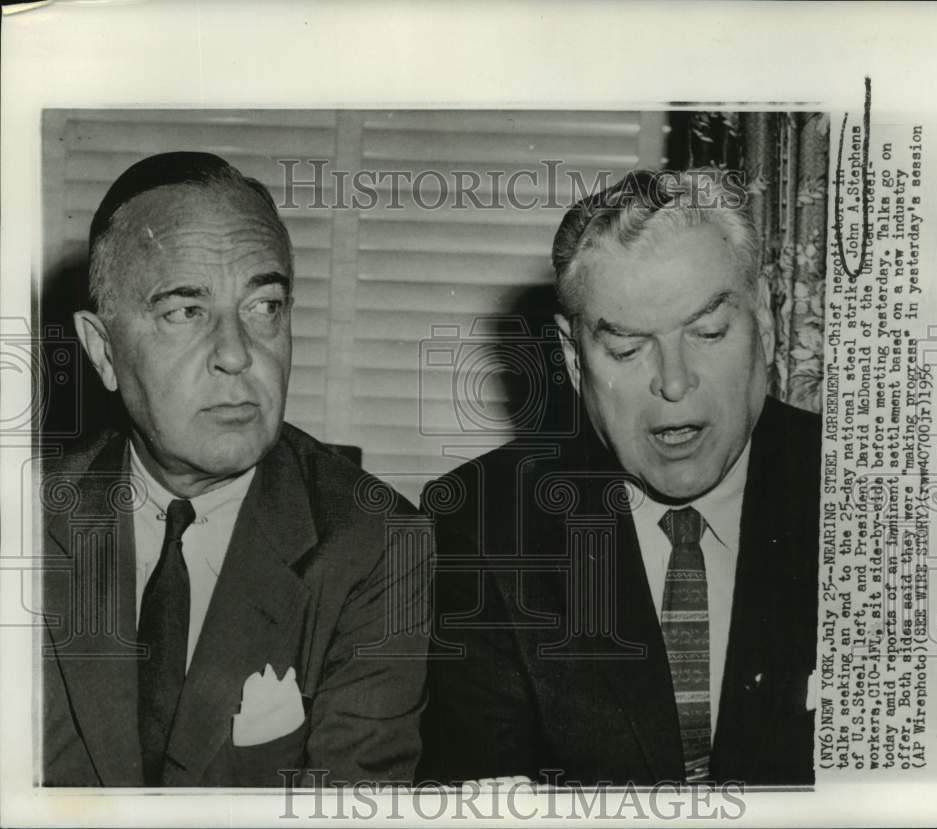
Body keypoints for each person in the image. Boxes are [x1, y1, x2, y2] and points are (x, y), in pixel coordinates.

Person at [417, 170, 821, 786]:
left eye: (708, 332)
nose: (676, 381)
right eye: (628, 349)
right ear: (572, 355)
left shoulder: (871, 489)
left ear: (762, 316)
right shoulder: (482, 523)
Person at [41, 152, 430, 787]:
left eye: (264, 307)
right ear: (102, 351)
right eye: (185, 312)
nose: (235, 354)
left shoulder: (377, 545)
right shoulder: (25, 523)